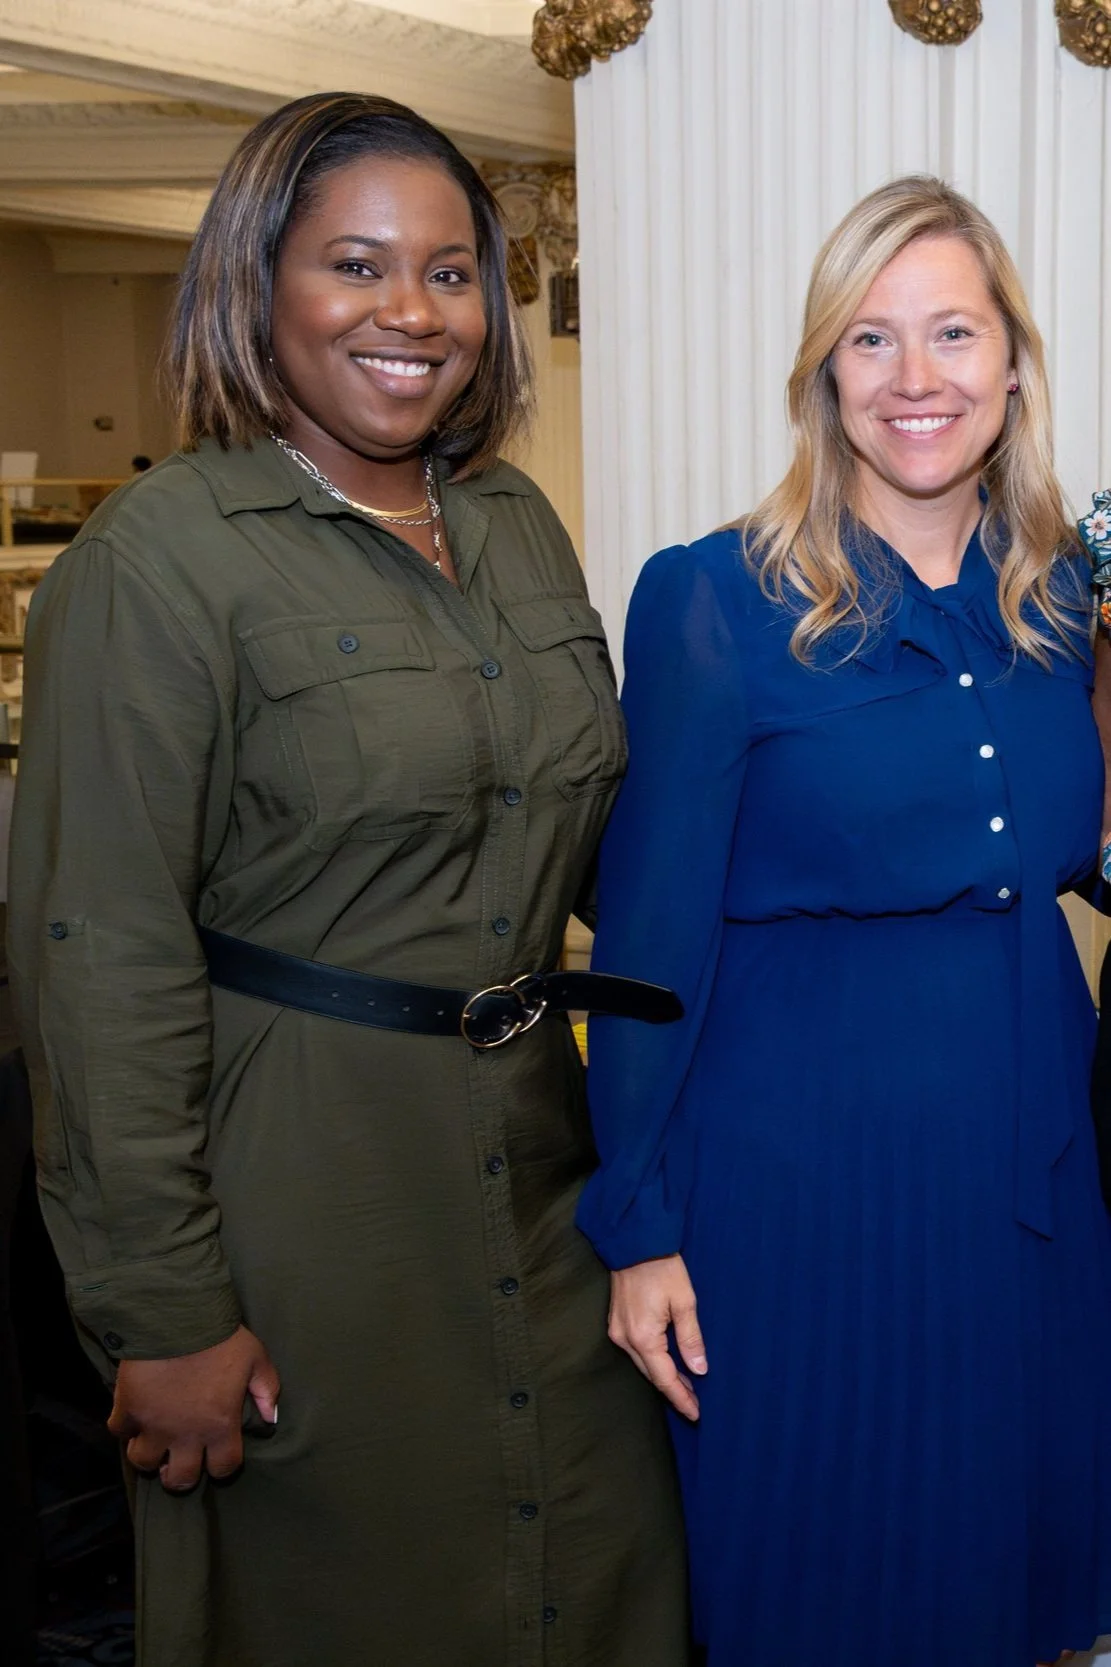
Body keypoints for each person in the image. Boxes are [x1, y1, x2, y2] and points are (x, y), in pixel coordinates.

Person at [8, 92, 688, 1667]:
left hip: (541, 1155)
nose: (411, 313)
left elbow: (583, 832)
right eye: (356, 264)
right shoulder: (161, 561)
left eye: (451, 273)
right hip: (297, 1183)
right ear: (255, 284)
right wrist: (160, 1308)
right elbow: (96, 954)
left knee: (588, 1563)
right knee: (343, 1600)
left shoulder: (512, 522)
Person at [578, 174, 1111, 1667]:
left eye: (951, 332)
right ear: (822, 375)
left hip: (1034, 1170)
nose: (914, 379)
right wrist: (638, 1220)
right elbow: (644, 938)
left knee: (1027, 1577)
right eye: (869, 341)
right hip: (800, 1184)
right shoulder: (713, 600)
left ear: (1011, 363)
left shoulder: (1057, 599)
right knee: (828, 1577)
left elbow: (1073, 851)